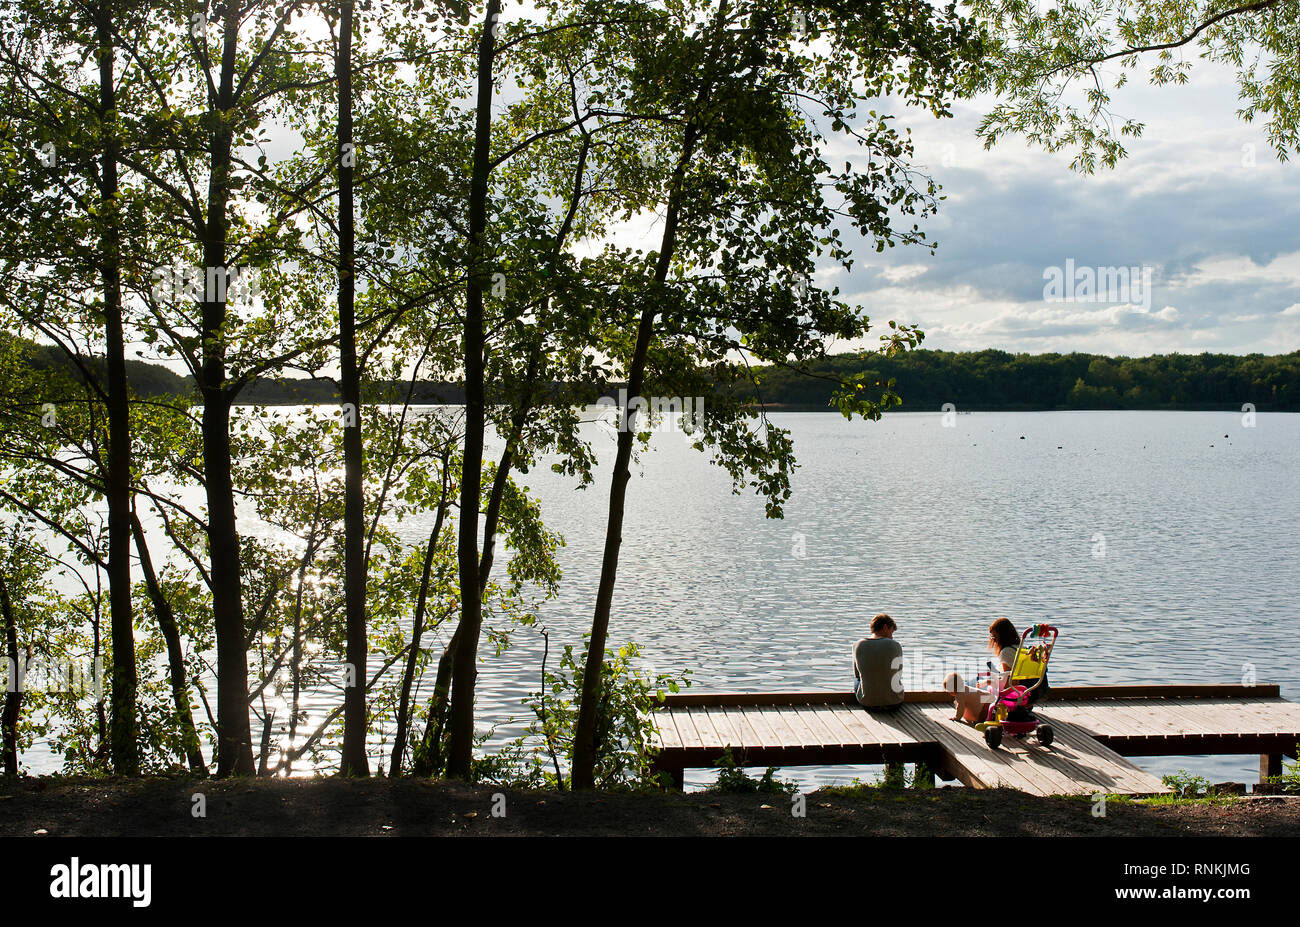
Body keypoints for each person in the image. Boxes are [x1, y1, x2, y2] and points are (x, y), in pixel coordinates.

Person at [944, 618, 1020, 724]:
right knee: (973, 685)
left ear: (1001, 636)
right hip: (1022, 687)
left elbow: (1008, 679)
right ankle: (970, 705)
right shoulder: (1020, 648)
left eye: (994, 636)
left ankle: (976, 711)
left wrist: (988, 682)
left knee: (971, 684)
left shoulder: (1006, 652)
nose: (992, 639)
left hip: (1007, 689)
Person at [853, 613, 904, 711]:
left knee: (857, 679)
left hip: (867, 704)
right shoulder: (895, 645)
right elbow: (898, 673)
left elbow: (857, 674)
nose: (892, 637)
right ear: (885, 627)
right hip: (895, 703)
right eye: (891, 632)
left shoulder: (857, 645)